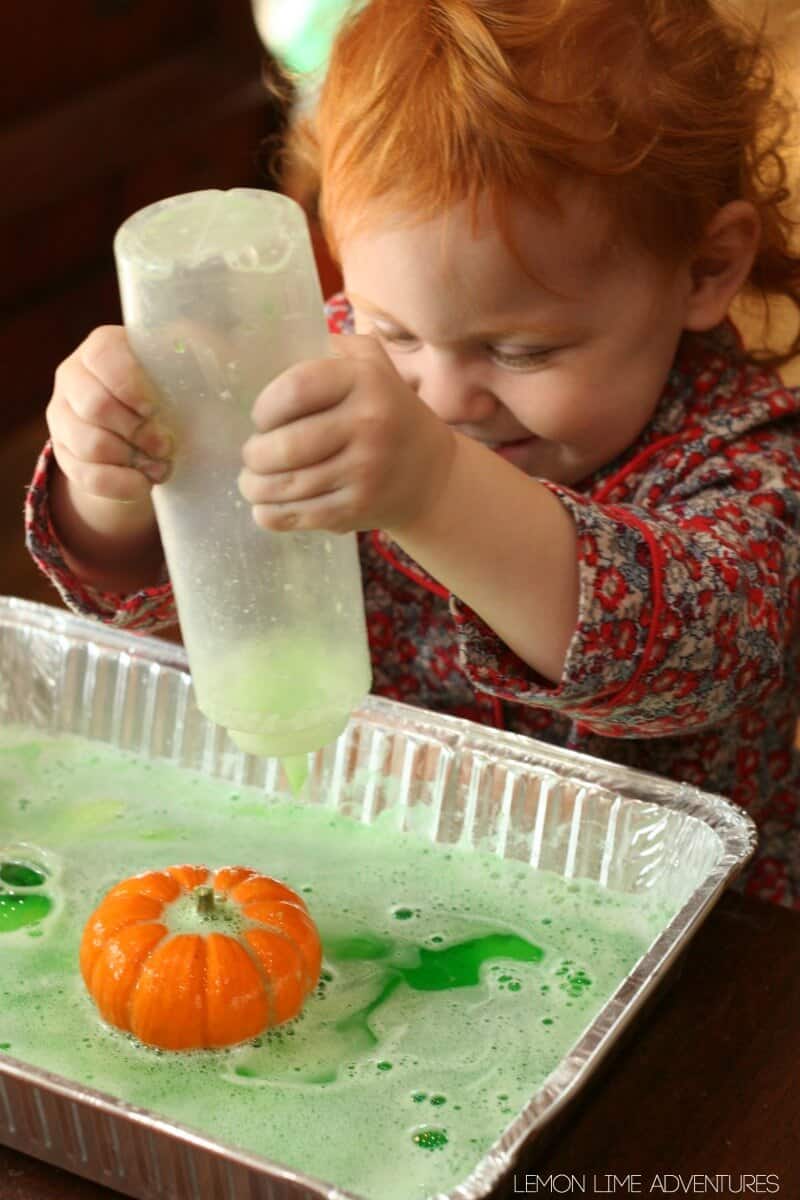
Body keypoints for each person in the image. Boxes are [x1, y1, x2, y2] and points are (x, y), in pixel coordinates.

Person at [25, 0, 800, 907]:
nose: (440, 396)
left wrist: (433, 485)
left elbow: (691, 664)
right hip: (383, 867)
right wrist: (118, 477)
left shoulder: (753, 459)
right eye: (393, 330)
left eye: (521, 351)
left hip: (686, 937)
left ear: (706, 270)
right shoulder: (330, 356)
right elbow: (190, 594)